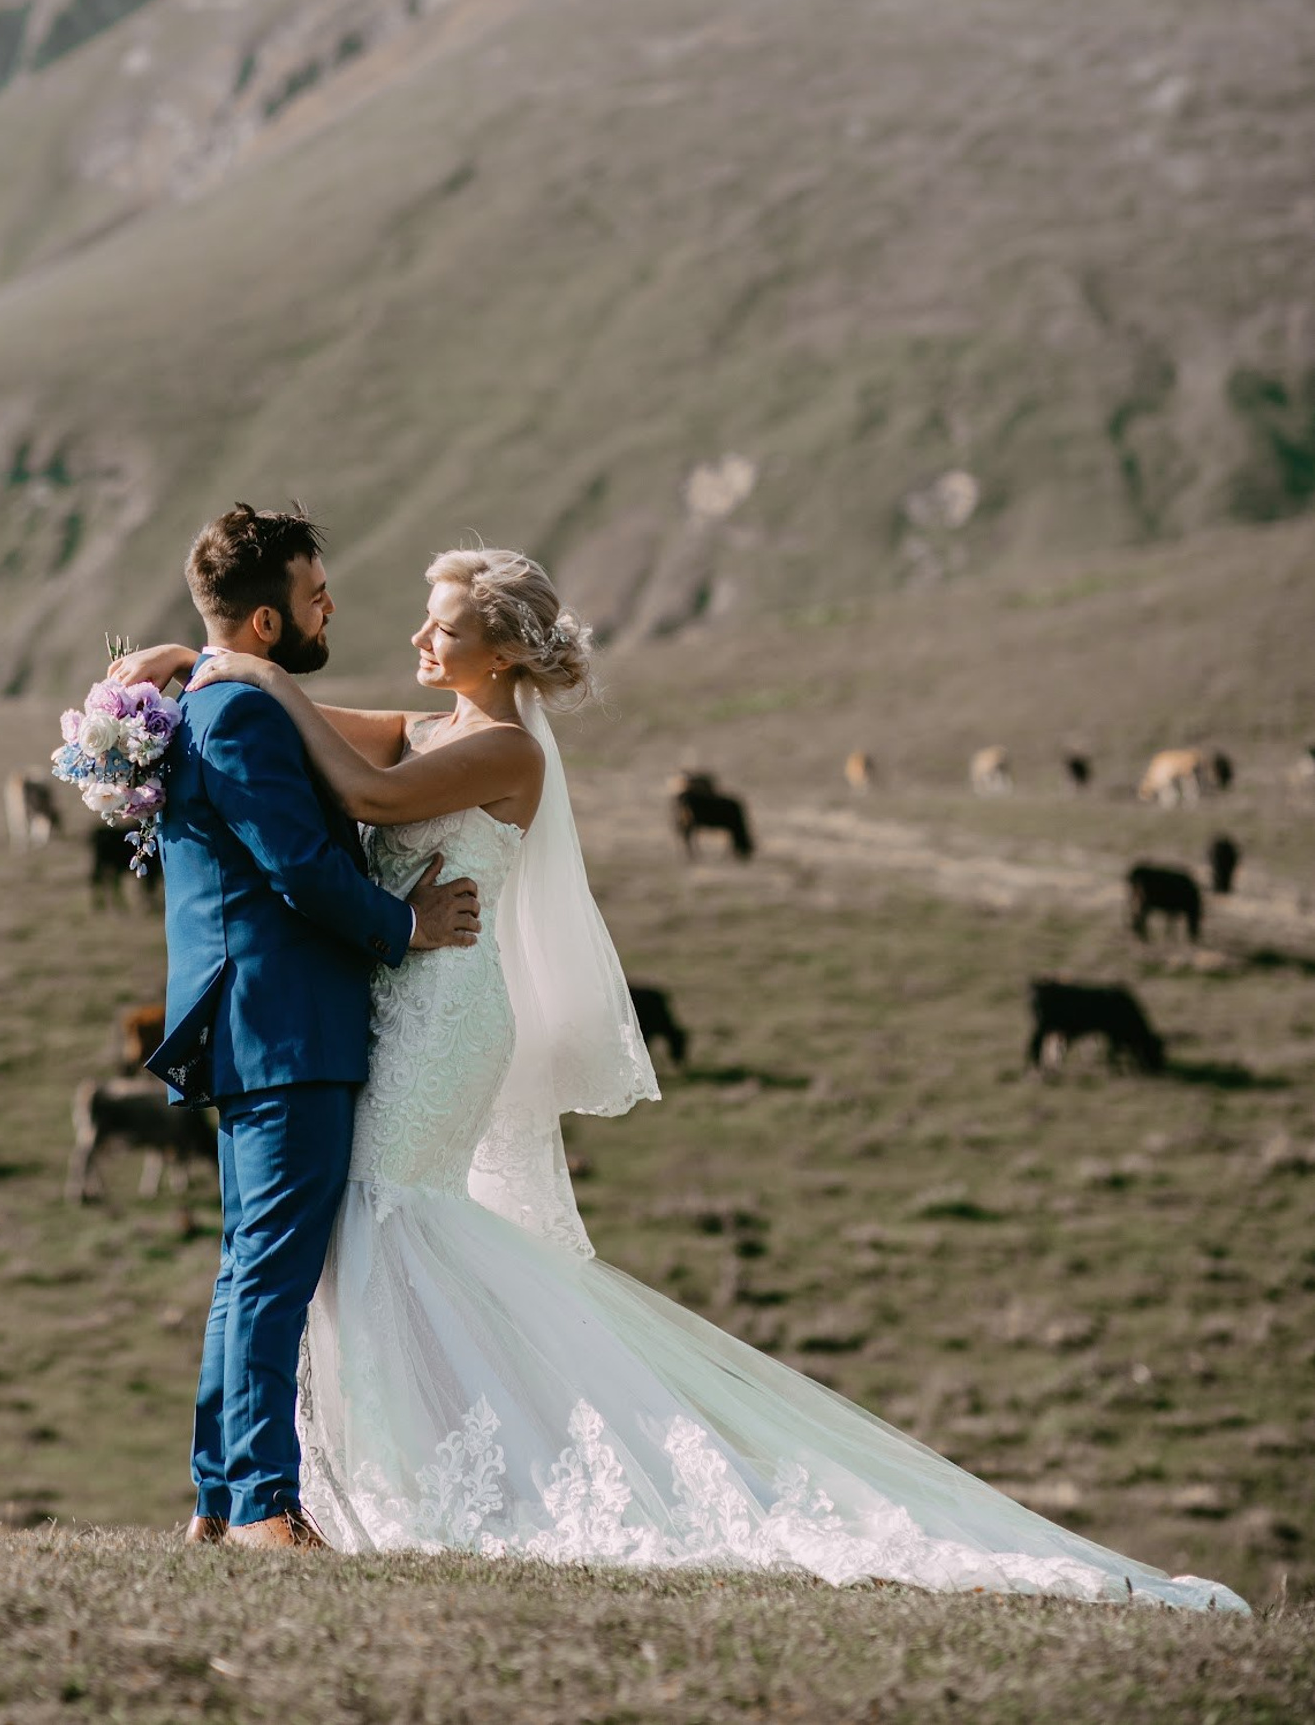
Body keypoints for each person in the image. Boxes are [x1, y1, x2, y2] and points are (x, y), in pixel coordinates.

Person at [117, 542, 1247, 1609]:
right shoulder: (432, 726)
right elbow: (312, 724)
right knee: (370, 1234)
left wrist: (245, 669)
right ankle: (337, 1481)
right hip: (398, 1004)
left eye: (443, 624)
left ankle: (383, 1481)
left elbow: (354, 790)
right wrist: (195, 665)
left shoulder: (503, 751)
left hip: (444, 1017)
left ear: (501, 653)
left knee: (391, 1220)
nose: (418, 635)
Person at [141, 504, 482, 1551]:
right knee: (273, 1269)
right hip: (282, 1021)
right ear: (266, 623)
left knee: (252, 1262)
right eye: (313, 592)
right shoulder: (236, 716)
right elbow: (297, 868)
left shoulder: (217, 697)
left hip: (263, 1019)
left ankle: (216, 1501)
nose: (330, 601)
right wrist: (405, 924)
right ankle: (259, 1508)